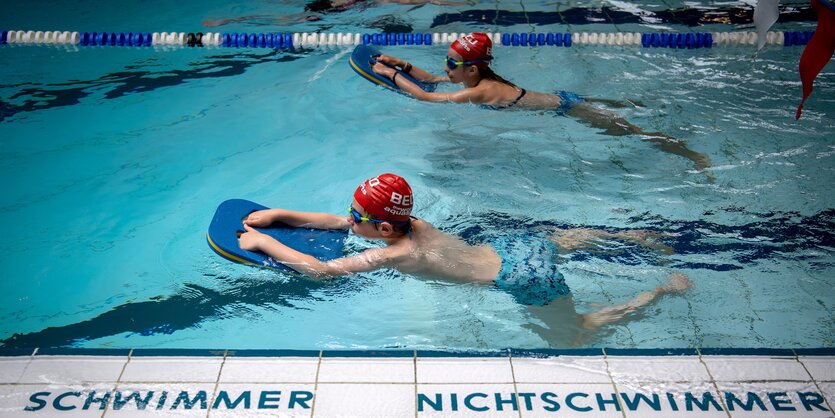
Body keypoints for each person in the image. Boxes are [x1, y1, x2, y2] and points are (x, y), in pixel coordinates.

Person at [238, 173, 691, 341]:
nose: (345, 218)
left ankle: (659, 293)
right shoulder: (412, 224)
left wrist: (266, 243)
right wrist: (281, 215)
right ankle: (639, 237)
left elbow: (321, 273)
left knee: (575, 334)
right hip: (515, 246)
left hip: (523, 278)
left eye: (355, 213)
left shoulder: (396, 254)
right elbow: (337, 222)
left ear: (382, 229)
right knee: (566, 240)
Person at [371, 32, 712, 177]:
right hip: (561, 99)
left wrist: (387, 76)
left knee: (638, 135)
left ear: (472, 69)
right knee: (624, 117)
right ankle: (631, 102)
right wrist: (397, 63)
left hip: (569, 108)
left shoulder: (478, 90)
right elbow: (429, 80)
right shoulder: (475, 78)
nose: (445, 68)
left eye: (450, 63)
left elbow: (428, 97)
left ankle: (693, 155)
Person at [202, 0, 469, 27]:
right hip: (326, 14)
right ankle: (230, 20)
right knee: (286, 20)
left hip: (339, 16)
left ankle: (230, 19)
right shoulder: (324, 5)